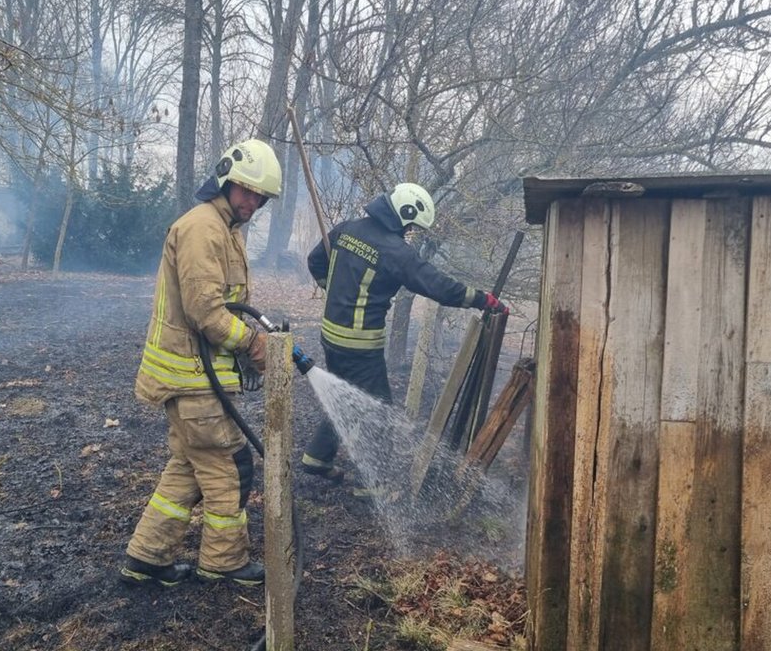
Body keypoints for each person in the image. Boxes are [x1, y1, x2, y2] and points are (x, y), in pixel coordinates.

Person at [119, 139, 281, 588]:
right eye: (248, 191)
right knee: (230, 464)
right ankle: (224, 561)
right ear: (226, 180)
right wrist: (252, 343)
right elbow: (205, 310)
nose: (254, 202)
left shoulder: (224, 229)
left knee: (188, 468)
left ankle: (147, 558)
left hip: (195, 377)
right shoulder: (202, 228)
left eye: (261, 197)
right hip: (190, 378)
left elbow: (226, 303)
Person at [300, 182, 507, 486]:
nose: (410, 231)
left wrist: (331, 288)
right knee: (379, 408)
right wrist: (483, 299)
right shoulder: (395, 252)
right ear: (403, 214)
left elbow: (315, 260)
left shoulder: (347, 229)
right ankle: (380, 485)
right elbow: (439, 287)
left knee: (347, 395)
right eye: (410, 225)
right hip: (360, 346)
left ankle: (317, 457)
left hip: (330, 338)